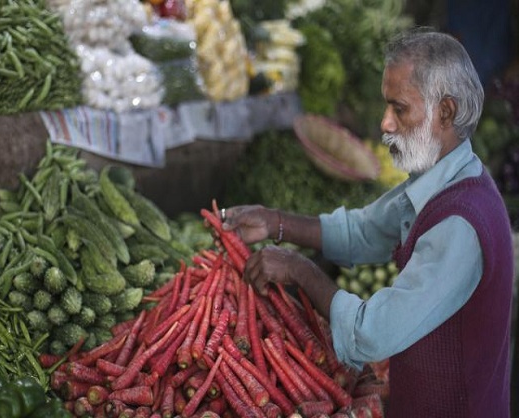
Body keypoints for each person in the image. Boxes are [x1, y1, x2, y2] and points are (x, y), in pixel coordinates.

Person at [220, 29, 513, 417]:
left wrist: (300, 270)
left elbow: (372, 335)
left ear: (446, 112)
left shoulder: (460, 223)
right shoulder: (441, 180)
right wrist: (276, 222)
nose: (385, 123)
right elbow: (362, 231)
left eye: (399, 108)